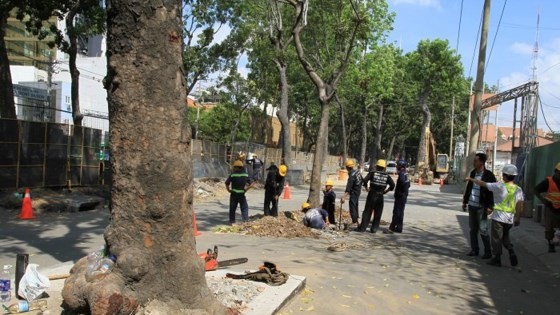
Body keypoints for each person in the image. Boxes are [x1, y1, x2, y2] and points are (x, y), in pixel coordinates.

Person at [465, 164, 524, 267]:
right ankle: (510, 249)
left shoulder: (499, 186)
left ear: (505, 176)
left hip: (498, 218)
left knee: (496, 238)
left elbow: (482, 183)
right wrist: (517, 218)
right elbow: (519, 205)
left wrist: (471, 179)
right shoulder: (518, 189)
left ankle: (497, 259)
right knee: (505, 237)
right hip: (509, 219)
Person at [462, 152, 497, 259]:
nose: (474, 162)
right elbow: (469, 188)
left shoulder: (489, 175)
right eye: (474, 160)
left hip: (482, 206)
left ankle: (488, 251)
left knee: (483, 229)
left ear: (481, 162)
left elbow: (493, 191)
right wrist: (465, 201)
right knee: (473, 229)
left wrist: (491, 206)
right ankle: (474, 249)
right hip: (472, 205)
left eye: (476, 160)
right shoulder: (473, 173)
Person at [359, 159, 395, 233]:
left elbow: (365, 180)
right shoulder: (387, 176)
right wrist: (385, 191)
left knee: (367, 212)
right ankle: (374, 229)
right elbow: (393, 185)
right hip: (380, 195)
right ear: (384, 167)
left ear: (377, 166)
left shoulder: (372, 173)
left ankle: (363, 228)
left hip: (372, 194)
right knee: (378, 213)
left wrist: (366, 188)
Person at [534, 162, 560, 253]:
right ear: (556, 172)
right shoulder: (548, 181)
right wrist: (542, 200)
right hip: (550, 208)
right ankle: (551, 244)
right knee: (549, 228)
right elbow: (536, 190)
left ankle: (556, 239)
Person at [385, 160, 411, 234]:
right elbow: (408, 185)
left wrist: (400, 191)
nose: (397, 167)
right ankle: (399, 228)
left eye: (398, 165)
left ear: (401, 166)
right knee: (400, 212)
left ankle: (392, 228)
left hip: (400, 196)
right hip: (404, 196)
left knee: (396, 212)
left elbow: (402, 182)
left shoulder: (402, 174)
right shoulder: (406, 173)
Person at [225, 160, 254, 225]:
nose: (234, 168)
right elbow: (251, 184)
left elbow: (227, 183)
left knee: (232, 208)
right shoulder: (245, 175)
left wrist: (228, 190)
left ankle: (232, 221)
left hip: (233, 194)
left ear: (237, 167)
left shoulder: (232, 175)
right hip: (241, 194)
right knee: (244, 208)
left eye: (234, 167)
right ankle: (245, 221)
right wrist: (246, 189)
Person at [341, 159, 363, 228]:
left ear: (347, 167)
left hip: (354, 192)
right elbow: (362, 179)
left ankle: (354, 222)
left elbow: (348, 188)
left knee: (352, 207)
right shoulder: (357, 171)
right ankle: (357, 220)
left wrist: (344, 197)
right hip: (358, 191)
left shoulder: (352, 176)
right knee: (356, 205)